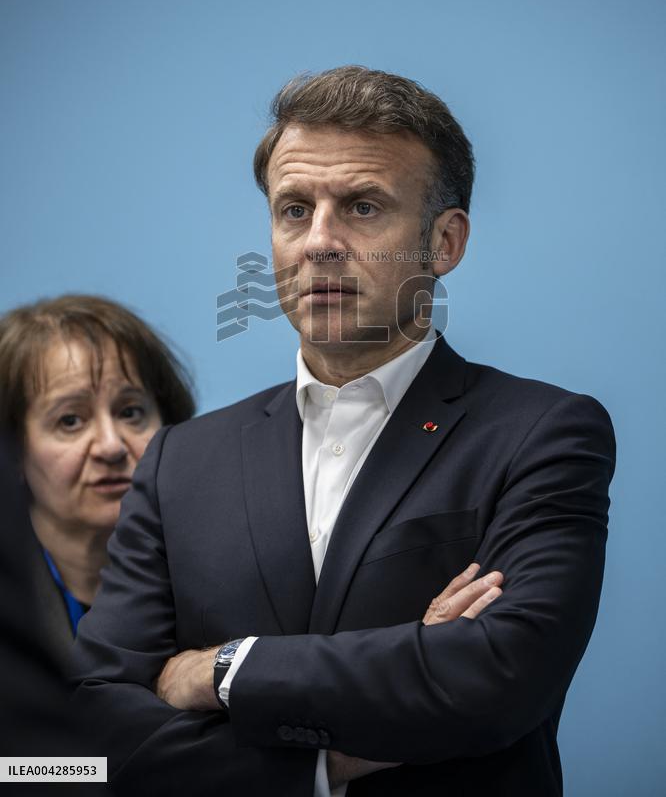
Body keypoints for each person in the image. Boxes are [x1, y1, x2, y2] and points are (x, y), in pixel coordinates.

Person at [73, 67, 615, 797]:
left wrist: (222, 670)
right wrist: (326, 764)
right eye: (294, 210)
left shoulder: (543, 434)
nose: (319, 242)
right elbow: (93, 728)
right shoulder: (180, 463)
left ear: (445, 241)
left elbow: (497, 678)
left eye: (362, 207)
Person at [0, 294, 195, 665]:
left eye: (130, 412)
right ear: (12, 452)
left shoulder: (218, 581)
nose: (110, 446)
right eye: (70, 420)